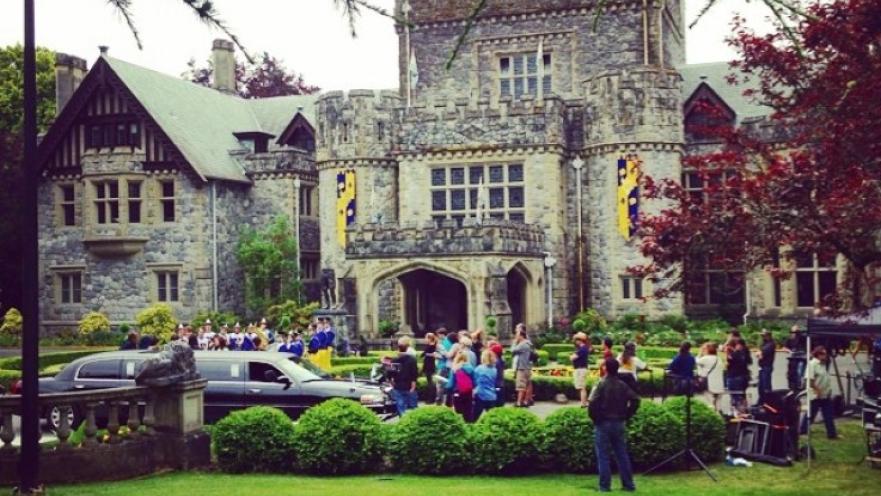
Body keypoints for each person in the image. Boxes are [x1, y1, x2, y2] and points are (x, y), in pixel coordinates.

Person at [588, 358, 640, 493]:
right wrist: (627, 414)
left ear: (605, 368)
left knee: (603, 456)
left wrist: (595, 418)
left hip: (603, 422)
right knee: (621, 454)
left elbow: (592, 403)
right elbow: (635, 400)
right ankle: (628, 485)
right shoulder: (622, 385)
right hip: (619, 422)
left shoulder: (601, 384)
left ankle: (605, 486)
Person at [800, 346, 839, 439]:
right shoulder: (812, 364)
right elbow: (809, 381)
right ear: (818, 354)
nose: (825, 356)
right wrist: (817, 390)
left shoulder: (823, 364)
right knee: (811, 414)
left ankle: (832, 434)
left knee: (828, 414)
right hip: (816, 395)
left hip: (825, 394)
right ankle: (803, 430)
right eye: (823, 354)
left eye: (825, 353)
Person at [390, 336, 419, 417]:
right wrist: (413, 386)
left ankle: (403, 422)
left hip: (398, 385)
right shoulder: (412, 359)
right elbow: (414, 374)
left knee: (400, 406)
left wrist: (392, 383)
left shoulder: (394, 359)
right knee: (413, 407)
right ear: (407, 347)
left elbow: (391, 374)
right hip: (409, 385)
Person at [446, 351, 475, 422]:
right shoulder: (471, 368)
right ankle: (469, 425)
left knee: (458, 412)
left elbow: (450, 384)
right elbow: (474, 381)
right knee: (468, 410)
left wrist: (448, 390)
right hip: (468, 392)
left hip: (458, 392)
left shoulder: (455, 369)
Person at [726, 338, 753, 414]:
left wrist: (728, 353)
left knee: (735, 396)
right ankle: (744, 412)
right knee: (742, 395)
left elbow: (727, 364)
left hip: (734, 376)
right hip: (744, 376)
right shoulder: (745, 353)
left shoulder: (734, 354)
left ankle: (739, 413)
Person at [696, 342, 724, 411]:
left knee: (710, 404)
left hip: (709, 384)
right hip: (719, 385)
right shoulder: (718, 359)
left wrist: (700, 353)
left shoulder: (706, 358)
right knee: (718, 405)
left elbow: (696, 360)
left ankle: (713, 418)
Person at [511, 324, 534, 408]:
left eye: (517, 335)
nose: (516, 337)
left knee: (520, 385)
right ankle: (526, 401)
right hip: (527, 367)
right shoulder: (528, 343)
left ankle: (519, 402)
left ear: (521, 335)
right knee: (527, 384)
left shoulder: (523, 344)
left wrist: (514, 342)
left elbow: (512, 350)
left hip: (522, 367)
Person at [473, 349, 499, 420]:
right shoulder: (494, 370)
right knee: (492, 418)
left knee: (474, 417)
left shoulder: (478, 369)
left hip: (480, 395)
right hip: (492, 396)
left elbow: (474, 381)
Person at [783, 325, 807, 391]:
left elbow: (804, 336)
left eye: (795, 332)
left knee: (799, 372)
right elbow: (784, 347)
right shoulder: (790, 339)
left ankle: (799, 385)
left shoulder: (802, 338)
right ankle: (793, 386)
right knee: (791, 373)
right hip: (793, 358)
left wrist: (798, 332)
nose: (793, 334)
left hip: (801, 358)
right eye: (792, 332)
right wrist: (789, 351)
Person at [570, 332, 591, 407]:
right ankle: (583, 403)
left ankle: (583, 404)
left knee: (582, 387)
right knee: (581, 387)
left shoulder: (582, 349)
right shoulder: (584, 348)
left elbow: (572, 358)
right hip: (581, 369)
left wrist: (572, 356)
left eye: (576, 340)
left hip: (580, 370)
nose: (575, 342)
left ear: (579, 341)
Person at [756, 330, 776, 405]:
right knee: (760, 387)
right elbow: (758, 354)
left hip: (766, 367)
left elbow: (761, 353)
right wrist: (759, 354)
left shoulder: (771, 344)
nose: (762, 337)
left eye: (764, 335)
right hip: (762, 367)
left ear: (768, 335)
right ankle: (761, 402)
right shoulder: (764, 343)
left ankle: (769, 402)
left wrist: (760, 353)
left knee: (766, 386)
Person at [421, 332, 439, 403]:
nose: (425, 339)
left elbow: (431, 354)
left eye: (426, 338)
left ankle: (431, 398)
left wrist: (426, 354)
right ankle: (430, 398)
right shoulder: (431, 345)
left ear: (429, 338)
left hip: (429, 365)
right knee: (430, 382)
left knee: (430, 382)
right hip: (429, 364)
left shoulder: (432, 346)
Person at [490, 342, 506, 407]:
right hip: (501, 384)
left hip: (497, 383)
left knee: (497, 402)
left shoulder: (496, 362)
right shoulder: (501, 360)